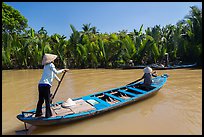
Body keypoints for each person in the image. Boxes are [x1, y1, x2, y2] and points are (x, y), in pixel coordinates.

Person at [35, 53, 69, 118]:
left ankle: (38, 113)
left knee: (41, 100)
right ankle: (48, 115)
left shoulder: (45, 66)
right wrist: (63, 70)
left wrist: (58, 80)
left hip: (40, 85)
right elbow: (56, 72)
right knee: (47, 100)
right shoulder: (51, 65)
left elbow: (53, 74)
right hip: (46, 86)